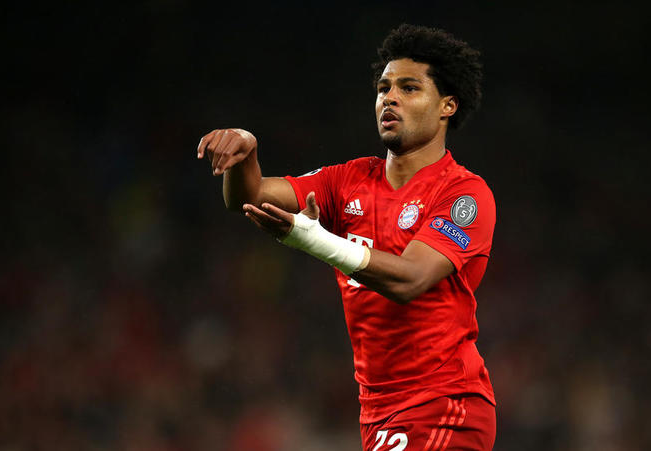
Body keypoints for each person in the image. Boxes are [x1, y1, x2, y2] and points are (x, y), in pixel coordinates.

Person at [197, 24, 496, 451]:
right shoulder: (349, 180)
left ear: (448, 104)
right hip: (378, 412)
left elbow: (410, 279)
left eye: (409, 88)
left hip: (443, 402)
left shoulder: (464, 194)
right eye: (383, 87)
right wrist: (246, 154)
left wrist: (312, 240)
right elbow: (249, 196)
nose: (389, 97)